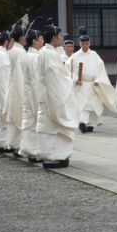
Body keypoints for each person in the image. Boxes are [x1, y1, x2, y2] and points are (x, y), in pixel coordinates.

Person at [36, 21, 78, 168]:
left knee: (50, 126)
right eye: (60, 35)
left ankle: (57, 155)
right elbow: (56, 79)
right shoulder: (50, 54)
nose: (61, 37)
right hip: (52, 94)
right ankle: (57, 156)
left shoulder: (44, 52)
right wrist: (69, 83)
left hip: (46, 93)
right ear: (54, 38)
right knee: (55, 126)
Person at [68, 27, 116, 133]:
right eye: (83, 43)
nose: (85, 45)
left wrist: (99, 80)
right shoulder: (75, 56)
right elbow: (70, 70)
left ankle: (91, 124)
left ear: (89, 43)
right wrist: (76, 79)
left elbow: (101, 68)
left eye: (87, 43)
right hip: (81, 84)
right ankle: (82, 122)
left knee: (93, 105)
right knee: (83, 105)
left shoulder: (94, 55)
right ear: (79, 43)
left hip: (93, 84)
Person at [19, 29, 44, 162]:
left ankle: (28, 150)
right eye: (40, 39)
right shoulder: (36, 57)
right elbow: (36, 80)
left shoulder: (27, 55)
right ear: (34, 41)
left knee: (28, 121)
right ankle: (34, 151)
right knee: (34, 121)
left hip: (27, 92)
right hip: (34, 92)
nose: (42, 41)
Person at [3, 25, 27, 155]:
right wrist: (22, 91)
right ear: (21, 37)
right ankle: (17, 145)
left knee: (13, 117)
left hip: (12, 87)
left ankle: (11, 143)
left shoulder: (12, 51)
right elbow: (19, 74)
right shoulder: (20, 52)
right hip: (18, 86)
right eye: (24, 36)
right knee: (18, 116)